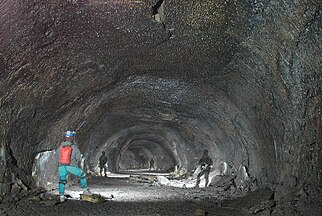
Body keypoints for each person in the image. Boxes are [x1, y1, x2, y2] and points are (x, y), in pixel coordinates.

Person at [55, 130, 91, 203]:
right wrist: (75, 163)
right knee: (82, 175)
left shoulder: (60, 147)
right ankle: (85, 190)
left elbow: (56, 156)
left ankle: (61, 196)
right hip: (71, 166)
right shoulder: (74, 147)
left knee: (62, 181)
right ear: (72, 138)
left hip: (61, 166)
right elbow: (78, 158)